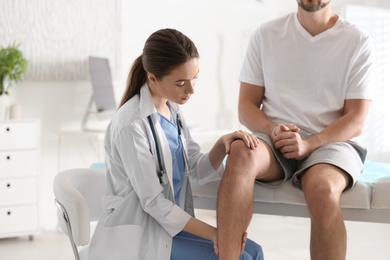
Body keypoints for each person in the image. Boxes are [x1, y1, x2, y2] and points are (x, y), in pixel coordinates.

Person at [87, 28, 264, 260]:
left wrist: (222, 145)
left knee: (254, 251)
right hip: (141, 236)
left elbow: (196, 170)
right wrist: (215, 233)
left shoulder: (173, 110)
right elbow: (153, 203)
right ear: (152, 78)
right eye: (181, 82)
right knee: (239, 256)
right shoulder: (130, 125)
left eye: (195, 78)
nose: (191, 89)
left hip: (168, 229)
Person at [216, 1, 374, 260]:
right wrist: (273, 129)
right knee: (240, 152)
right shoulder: (266, 34)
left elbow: (356, 119)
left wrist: (309, 144)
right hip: (274, 139)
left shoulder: (357, 40)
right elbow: (246, 107)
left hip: (331, 142)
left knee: (323, 190)